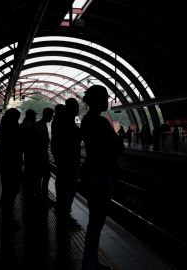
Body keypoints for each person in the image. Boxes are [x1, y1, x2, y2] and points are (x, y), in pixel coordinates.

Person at [80, 85, 125, 270]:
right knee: (97, 221)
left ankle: (91, 261)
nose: (107, 101)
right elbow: (117, 146)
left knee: (94, 220)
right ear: (99, 100)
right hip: (102, 174)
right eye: (106, 98)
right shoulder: (101, 122)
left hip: (91, 171)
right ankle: (90, 263)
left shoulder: (86, 120)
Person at [52, 98, 82, 229]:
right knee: (70, 186)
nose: (77, 109)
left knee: (63, 184)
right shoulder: (66, 121)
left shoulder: (59, 121)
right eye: (75, 106)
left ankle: (63, 210)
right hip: (69, 158)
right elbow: (72, 138)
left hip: (63, 158)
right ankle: (65, 213)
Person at [0, 108, 22, 230]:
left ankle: (7, 217)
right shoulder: (9, 130)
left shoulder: (3, 128)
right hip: (10, 164)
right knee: (10, 190)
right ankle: (7, 219)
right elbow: (17, 145)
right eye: (16, 118)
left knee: (8, 190)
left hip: (5, 163)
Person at [34, 107, 55, 205]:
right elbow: (41, 143)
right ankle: (43, 197)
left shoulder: (38, 124)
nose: (51, 118)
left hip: (38, 156)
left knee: (40, 177)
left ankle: (40, 196)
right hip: (41, 156)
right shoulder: (42, 126)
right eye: (51, 116)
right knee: (46, 176)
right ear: (47, 115)